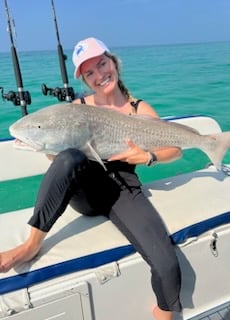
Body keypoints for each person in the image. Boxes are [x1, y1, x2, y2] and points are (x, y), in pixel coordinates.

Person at [0, 37, 182, 320]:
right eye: (90, 73)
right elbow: (61, 164)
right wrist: (50, 147)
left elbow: (175, 148)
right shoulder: (77, 107)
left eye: (102, 64)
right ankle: (30, 244)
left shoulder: (138, 109)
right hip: (85, 190)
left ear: (113, 61)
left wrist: (147, 157)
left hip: (124, 190)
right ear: (84, 79)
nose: (99, 75)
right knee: (69, 158)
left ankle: (164, 313)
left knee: (167, 265)